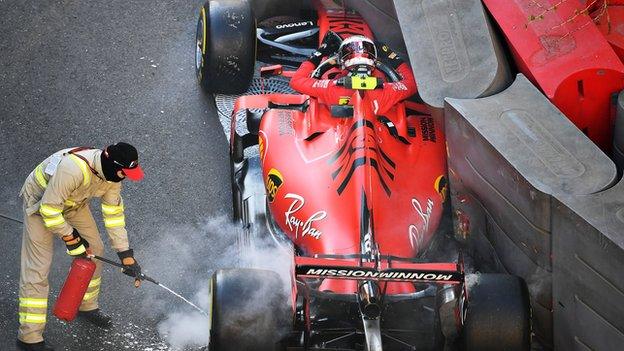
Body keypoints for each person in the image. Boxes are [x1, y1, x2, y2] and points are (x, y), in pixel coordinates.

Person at [17, 143, 145, 351]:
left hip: (73, 203)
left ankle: (87, 306)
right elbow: (49, 210)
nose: (126, 176)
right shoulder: (73, 168)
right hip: (41, 203)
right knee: (38, 268)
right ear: (112, 164)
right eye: (125, 171)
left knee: (95, 250)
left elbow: (113, 215)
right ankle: (29, 338)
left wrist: (125, 254)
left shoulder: (113, 176)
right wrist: (72, 239)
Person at [289, 32, 417, 115]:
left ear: (343, 60)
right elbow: (412, 84)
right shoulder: (388, 91)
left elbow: (296, 81)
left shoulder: (330, 88)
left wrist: (319, 53)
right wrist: (393, 58)